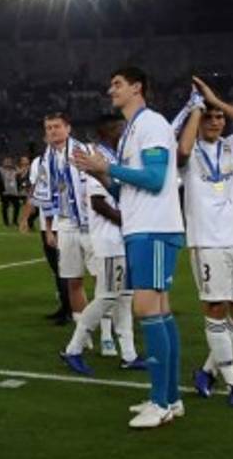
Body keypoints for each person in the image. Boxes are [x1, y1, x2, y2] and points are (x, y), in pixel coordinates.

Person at [73, 67, 186, 430]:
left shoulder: (151, 122)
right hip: (142, 227)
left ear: (138, 87)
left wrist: (111, 167)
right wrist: (101, 175)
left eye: (118, 84)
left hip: (154, 228)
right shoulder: (132, 131)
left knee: (146, 308)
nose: (111, 90)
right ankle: (171, 398)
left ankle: (161, 401)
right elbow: (128, 191)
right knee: (160, 310)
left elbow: (154, 180)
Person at [176, 77, 233, 408]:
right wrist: (197, 110)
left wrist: (217, 101)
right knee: (215, 308)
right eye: (209, 116)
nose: (215, 121)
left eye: (219, 118)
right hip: (207, 242)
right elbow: (183, 150)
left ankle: (207, 370)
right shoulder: (187, 150)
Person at [58, 114, 144, 374]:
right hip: (110, 240)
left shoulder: (116, 158)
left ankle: (129, 354)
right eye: (121, 128)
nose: (125, 132)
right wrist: (130, 220)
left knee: (125, 298)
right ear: (107, 131)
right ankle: (73, 349)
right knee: (107, 296)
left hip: (123, 239)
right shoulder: (97, 158)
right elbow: (98, 203)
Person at [33, 113, 95, 332]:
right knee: (72, 280)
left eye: (56, 127)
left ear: (68, 128)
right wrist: (50, 230)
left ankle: (107, 331)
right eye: (48, 128)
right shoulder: (45, 159)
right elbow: (45, 197)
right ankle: (83, 331)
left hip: (91, 223)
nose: (52, 131)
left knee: (100, 279)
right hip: (66, 223)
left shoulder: (85, 151)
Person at [19, 151, 70, 324]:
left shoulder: (73, 156)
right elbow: (33, 192)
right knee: (58, 269)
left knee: (65, 269)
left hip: (67, 223)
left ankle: (70, 310)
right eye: (49, 129)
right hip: (47, 223)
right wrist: (25, 217)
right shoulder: (38, 162)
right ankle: (66, 307)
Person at [0, 156, 21, 227]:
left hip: (14, 192)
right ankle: (6, 222)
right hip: (4, 192)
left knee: (17, 206)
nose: (8, 163)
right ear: (3, 162)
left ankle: (15, 221)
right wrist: (0, 192)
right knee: (4, 207)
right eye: (6, 161)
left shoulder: (15, 169)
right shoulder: (0, 170)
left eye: (9, 161)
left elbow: (19, 178)